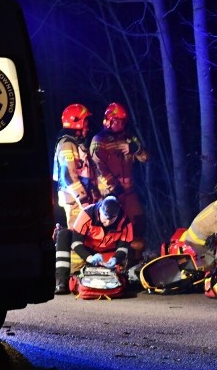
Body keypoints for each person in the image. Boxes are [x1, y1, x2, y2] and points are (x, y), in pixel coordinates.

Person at [90, 102, 149, 264]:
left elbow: (145, 157)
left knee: (139, 224)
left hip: (129, 193)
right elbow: (98, 166)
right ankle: (112, 263)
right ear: (108, 120)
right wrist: (113, 187)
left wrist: (134, 148)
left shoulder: (129, 138)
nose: (121, 124)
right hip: (109, 195)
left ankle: (135, 264)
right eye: (117, 121)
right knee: (113, 229)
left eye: (123, 121)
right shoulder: (99, 140)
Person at [54, 196, 133, 294]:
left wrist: (116, 259)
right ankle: (62, 283)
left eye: (112, 219)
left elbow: (123, 247)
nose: (108, 222)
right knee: (63, 234)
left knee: (135, 248)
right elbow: (76, 242)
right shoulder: (87, 213)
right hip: (87, 250)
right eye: (106, 217)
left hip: (108, 254)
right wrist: (89, 257)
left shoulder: (125, 221)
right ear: (100, 210)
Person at [53, 103, 100, 229]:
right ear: (76, 122)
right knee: (77, 236)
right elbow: (67, 175)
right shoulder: (67, 144)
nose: (87, 126)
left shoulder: (77, 144)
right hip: (75, 200)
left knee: (88, 237)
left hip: (83, 198)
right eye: (85, 122)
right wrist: (83, 199)